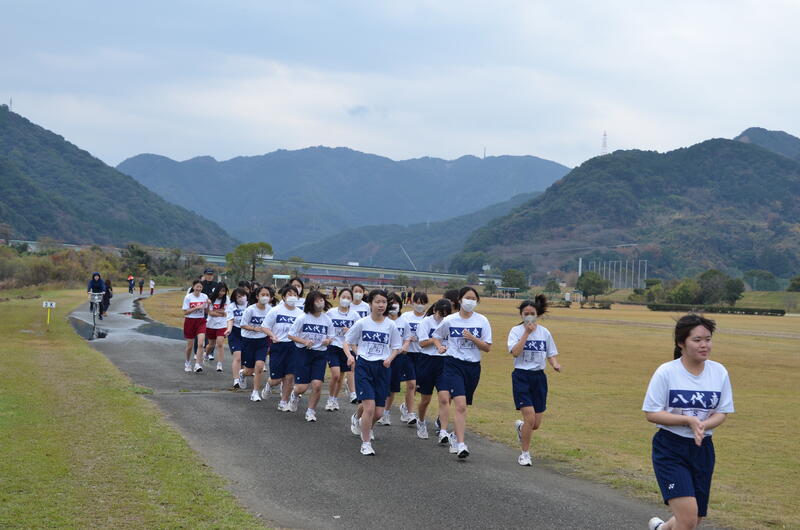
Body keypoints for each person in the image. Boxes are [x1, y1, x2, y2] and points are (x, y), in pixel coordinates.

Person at [644, 314, 734, 530]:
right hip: (670, 448)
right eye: (697, 340)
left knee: (695, 518)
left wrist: (703, 425)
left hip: (702, 448)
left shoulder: (719, 372)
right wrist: (688, 421)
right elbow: (652, 413)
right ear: (681, 343)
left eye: (708, 339)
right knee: (687, 518)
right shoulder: (666, 372)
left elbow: (722, 412)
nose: (704, 345)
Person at [432, 286, 492, 458]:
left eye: (474, 299)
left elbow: (487, 347)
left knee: (464, 404)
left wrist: (473, 338)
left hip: (473, 366)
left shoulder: (482, 321)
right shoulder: (450, 320)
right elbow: (436, 336)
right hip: (453, 364)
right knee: (460, 405)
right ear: (459, 300)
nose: (470, 301)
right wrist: (440, 347)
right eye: (467, 298)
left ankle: (454, 435)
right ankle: (461, 444)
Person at [343, 289, 402, 456]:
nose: (381, 305)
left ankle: (360, 421)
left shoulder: (391, 325)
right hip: (364, 366)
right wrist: (350, 356)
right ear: (370, 304)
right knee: (369, 407)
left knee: (378, 412)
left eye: (384, 302)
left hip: (382, 368)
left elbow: (396, 347)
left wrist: (390, 358)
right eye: (377, 302)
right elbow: (347, 342)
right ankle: (366, 443)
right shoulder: (362, 323)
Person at [507, 296, 562, 467]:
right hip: (521, 376)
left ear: (537, 314)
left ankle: (521, 428)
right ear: (521, 315)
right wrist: (526, 333)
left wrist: (554, 364)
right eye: (526, 314)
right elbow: (515, 352)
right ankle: (525, 454)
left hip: (539, 378)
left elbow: (550, 353)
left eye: (532, 313)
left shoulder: (544, 332)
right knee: (530, 417)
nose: (529, 316)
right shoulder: (515, 331)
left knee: (535, 424)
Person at [287, 291, 335, 421]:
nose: (320, 302)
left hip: (320, 354)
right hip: (303, 353)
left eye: (321, 300)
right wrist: (304, 341)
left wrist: (328, 341)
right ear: (310, 303)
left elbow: (331, 337)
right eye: (317, 300)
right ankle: (294, 395)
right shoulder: (303, 318)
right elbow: (290, 335)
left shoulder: (327, 319)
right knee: (301, 387)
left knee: (317, 385)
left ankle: (311, 411)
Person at [415, 299, 453, 440]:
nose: (442, 316)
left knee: (444, 398)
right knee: (425, 399)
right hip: (427, 361)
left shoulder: (450, 322)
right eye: (440, 313)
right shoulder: (426, 322)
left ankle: (443, 430)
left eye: (445, 314)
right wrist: (435, 340)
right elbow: (422, 343)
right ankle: (421, 421)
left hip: (444, 362)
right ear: (435, 310)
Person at [263, 285, 304, 409]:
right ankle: (269, 385)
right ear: (284, 297)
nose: (292, 297)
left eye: (295, 295)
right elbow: (265, 327)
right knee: (276, 379)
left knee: (290, 376)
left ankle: (283, 401)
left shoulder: (300, 314)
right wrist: (272, 335)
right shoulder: (275, 310)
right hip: (278, 345)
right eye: (289, 294)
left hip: (294, 347)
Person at [379, 292, 415, 426]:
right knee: (382, 385)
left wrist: (405, 346)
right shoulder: (382, 320)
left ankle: (385, 413)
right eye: (391, 303)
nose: (394, 306)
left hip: (398, 357)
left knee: (393, 387)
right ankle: (376, 409)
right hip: (382, 357)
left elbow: (407, 337)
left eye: (396, 303)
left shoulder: (403, 322)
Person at [325, 288, 359, 411]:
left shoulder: (355, 315)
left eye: (348, 298)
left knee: (340, 377)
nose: (345, 300)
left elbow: (358, 332)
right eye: (343, 297)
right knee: (335, 375)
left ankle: (335, 399)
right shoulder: (331, 312)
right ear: (339, 298)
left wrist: (349, 331)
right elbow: (325, 326)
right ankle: (330, 399)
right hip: (333, 346)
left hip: (347, 348)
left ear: (351, 300)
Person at [239, 286, 274, 402]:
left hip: (262, 341)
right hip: (248, 340)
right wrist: (255, 328)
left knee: (259, 366)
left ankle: (255, 392)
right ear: (257, 296)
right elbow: (242, 324)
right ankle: (243, 374)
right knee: (249, 370)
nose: (265, 297)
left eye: (267, 295)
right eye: (263, 294)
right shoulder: (250, 309)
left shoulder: (271, 310)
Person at [182, 279, 209, 373]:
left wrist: (208, 305)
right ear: (193, 287)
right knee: (190, 346)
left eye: (200, 287)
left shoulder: (204, 296)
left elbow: (206, 311)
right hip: (190, 321)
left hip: (201, 321)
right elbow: (185, 312)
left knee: (201, 344)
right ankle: (187, 362)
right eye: (197, 286)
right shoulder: (188, 297)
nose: (199, 288)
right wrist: (197, 307)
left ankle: (197, 364)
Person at [225, 287, 249, 389]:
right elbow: (230, 319)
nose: (241, 298)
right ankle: (236, 380)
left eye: (243, 295)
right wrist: (229, 329)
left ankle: (242, 376)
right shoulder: (231, 306)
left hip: (247, 333)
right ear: (235, 298)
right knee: (237, 357)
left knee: (245, 358)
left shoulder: (250, 305)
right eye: (239, 296)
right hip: (235, 332)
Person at [205, 283, 229, 372]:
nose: (222, 293)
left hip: (222, 325)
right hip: (210, 324)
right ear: (217, 290)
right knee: (211, 344)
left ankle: (219, 364)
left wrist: (217, 311)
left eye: (224, 291)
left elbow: (226, 313)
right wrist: (221, 312)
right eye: (221, 291)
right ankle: (206, 354)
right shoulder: (211, 299)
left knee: (220, 344)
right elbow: (210, 313)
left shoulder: (227, 299)